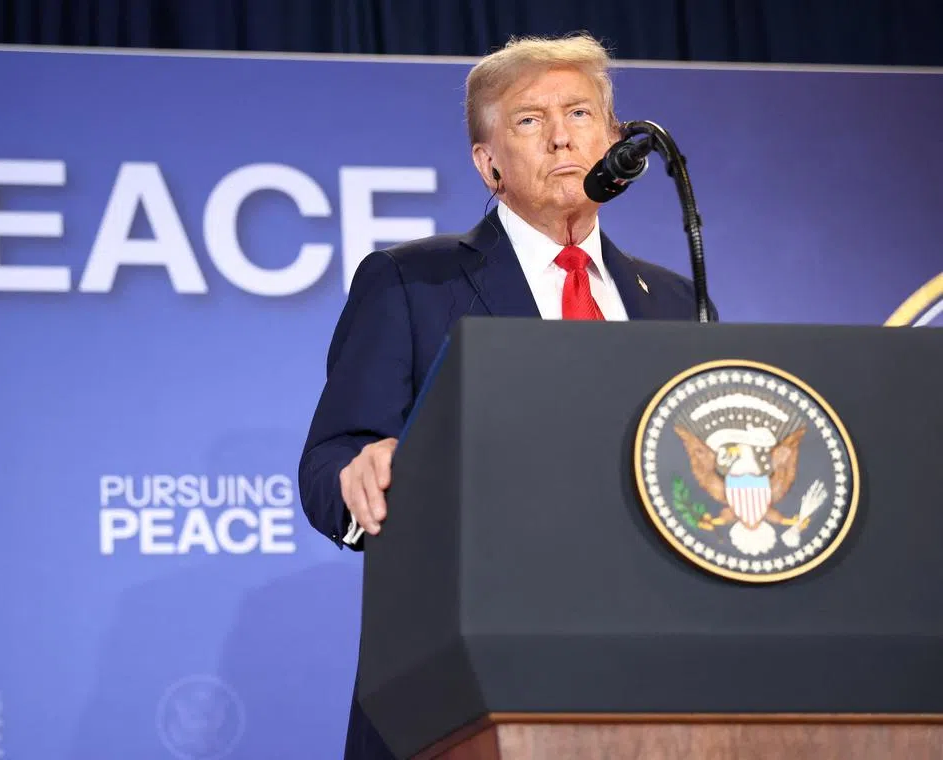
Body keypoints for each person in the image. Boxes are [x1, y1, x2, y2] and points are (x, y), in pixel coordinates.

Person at [298, 32, 718, 760]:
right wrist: (363, 470)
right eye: (530, 120)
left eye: (581, 113)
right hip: (470, 682)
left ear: (617, 142)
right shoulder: (412, 282)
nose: (562, 136)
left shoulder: (677, 299)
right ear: (488, 163)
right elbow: (332, 458)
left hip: (654, 673)